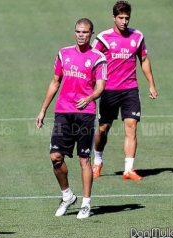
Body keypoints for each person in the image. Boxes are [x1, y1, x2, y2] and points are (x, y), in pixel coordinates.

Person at [36, 19, 107, 219]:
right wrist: (43, 110)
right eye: (77, 31)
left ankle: (86, 204)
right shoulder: (63, 53)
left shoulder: (98, 58)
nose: (80, 35)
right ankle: (67, 196)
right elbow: (55, 82)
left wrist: (89, 98)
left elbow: (100, 87)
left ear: (92, 33)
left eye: (84, 32)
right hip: (63, 113)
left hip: (85, 115)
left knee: (84, 159)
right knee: (55, 158)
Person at [91, 1, 158, 181]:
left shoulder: (137, 36)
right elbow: (92, 61)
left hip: (130, 90)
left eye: (127, 18)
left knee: (131, 127)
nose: (124, 21)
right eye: (120, 18)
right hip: (108, 90)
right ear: (114, 17)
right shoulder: (103, 38)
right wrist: (91, 88)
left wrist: (151, 84)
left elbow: (143, 60)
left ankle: (128, 169)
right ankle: (97, 162)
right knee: (104, 129)